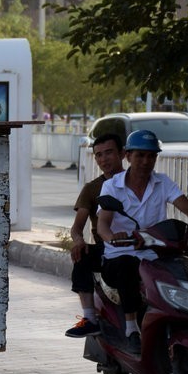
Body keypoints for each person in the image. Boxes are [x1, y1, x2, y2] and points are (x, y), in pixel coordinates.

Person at [96, 129, 188, 354]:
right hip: (120, 254)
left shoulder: (162, 182)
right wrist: (111, 238)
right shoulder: (112, 186)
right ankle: (131, 328)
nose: (146, 161)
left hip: (156, 253)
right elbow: (103, 223)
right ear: (128, 156)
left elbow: (184, 204)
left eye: (151, 156)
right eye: (140, 156)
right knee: (128, 268)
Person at [64, 133, 125, 337]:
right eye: (99, 155)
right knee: (82, 257)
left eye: (109, 153)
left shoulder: (136, 182)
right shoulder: (91, 189)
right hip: (106, 249)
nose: (104, 159)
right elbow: (76, 227)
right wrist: (79, 242)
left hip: (139, 246)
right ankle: (90, 318)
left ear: (123, 154)